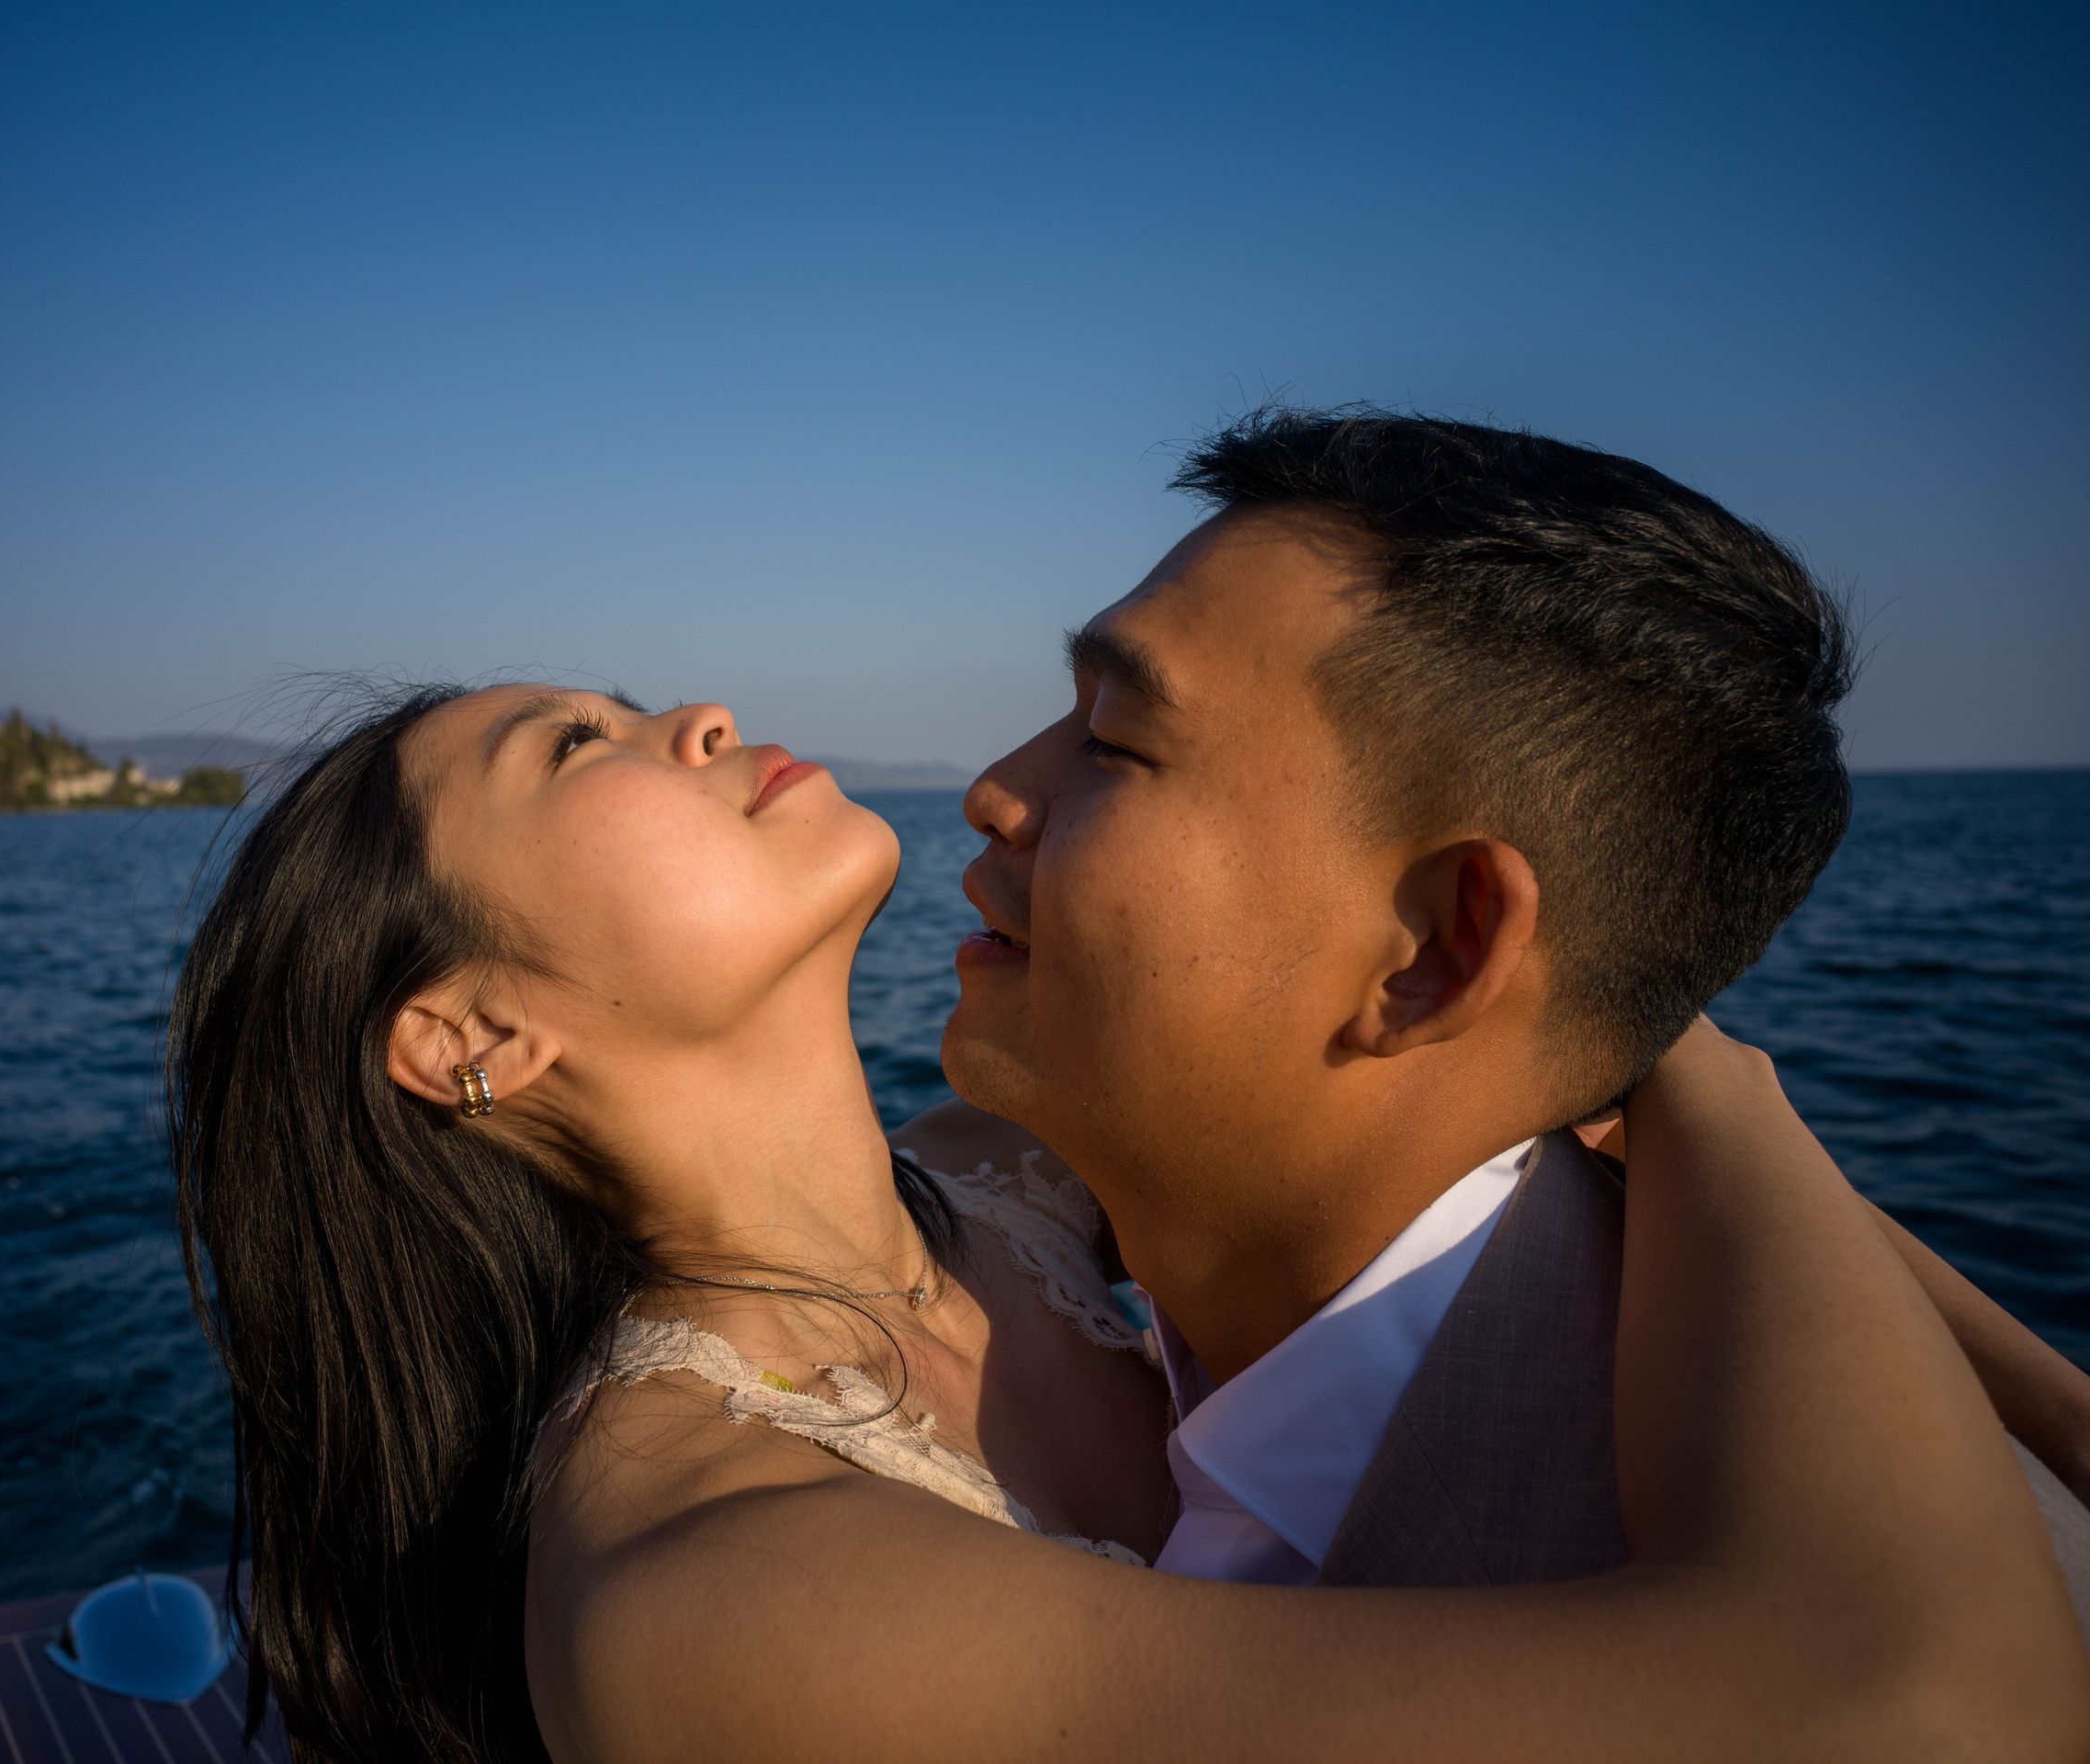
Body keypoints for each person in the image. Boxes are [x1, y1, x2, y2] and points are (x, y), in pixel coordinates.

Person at [167, 463, 2090, 1764]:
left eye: (1111, 737)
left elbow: (1538, 1105)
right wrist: (1701, 1067)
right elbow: (1911, 1717)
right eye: (574, 743)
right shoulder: (699, 1578)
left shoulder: (1016, 1176)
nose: (694, 715)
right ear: (471, 1036)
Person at [917, 406, 2090, 1603]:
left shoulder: (1708, 1606)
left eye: (1115, 739)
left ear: (1437, 951)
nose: (994, 791)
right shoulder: (1161, 1238)